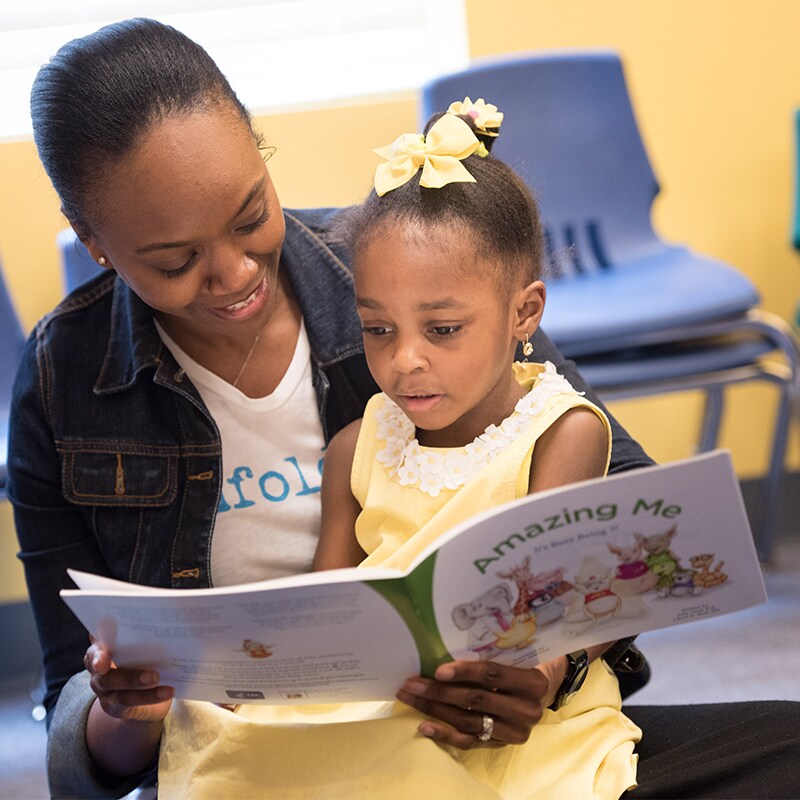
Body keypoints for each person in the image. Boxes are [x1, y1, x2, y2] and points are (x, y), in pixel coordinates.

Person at [7, 16, 797, 800]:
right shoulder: (62, 380)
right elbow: (74, 747)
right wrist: (127, 712)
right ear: (95, 241)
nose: (235, 273)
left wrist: (550, 669)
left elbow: (617, 519)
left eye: (251, 214)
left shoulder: (396, 267)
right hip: (260, 757)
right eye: (176, 261)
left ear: (260, 153)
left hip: (477, 738)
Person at [154, 106, 638, 799]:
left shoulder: (564, 431)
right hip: (379, 693)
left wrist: (535, 674)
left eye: (442, 328)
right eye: (377, 327)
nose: (404, 360)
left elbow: (556, 619)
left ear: (524, 313)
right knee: (234, 746)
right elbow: (322, 607)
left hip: (500, 706)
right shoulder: (358, 444)